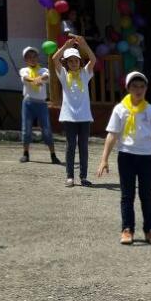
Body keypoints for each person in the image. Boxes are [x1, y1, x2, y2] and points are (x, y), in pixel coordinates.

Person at [96, 71, 151, 245]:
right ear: (128, 88)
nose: (138, 90)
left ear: (146, 89)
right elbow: (112, 135)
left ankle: (150, 231)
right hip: (126, 157)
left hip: (146, 158)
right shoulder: (120, 109)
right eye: (134, 86)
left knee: (146, 195)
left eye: (142, 86)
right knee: (127, 195)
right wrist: (104, 159)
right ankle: (127, 229)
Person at [52, 35, 95, 187]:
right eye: (70, 61)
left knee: (83, 147)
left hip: (84, 117)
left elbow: (93, 60)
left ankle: (83, 177)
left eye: (76, 60)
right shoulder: (64, 75)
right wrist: (65, 46)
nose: (73, 63)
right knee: (71, 147)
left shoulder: (85, 73)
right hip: (69, 116)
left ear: (79, 62)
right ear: (67, 63)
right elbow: (54, 59)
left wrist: (84, 45)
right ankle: (70, 176)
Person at [18, 46, 60, 164]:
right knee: (26, 128)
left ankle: (53, 155)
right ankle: (25, 153)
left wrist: (39, 78)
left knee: (46, 129)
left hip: (41, 104)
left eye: (34, 56)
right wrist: (35, 80)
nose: (32, 59)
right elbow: (25, 78)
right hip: (28, 103)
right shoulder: (24, 70)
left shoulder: (43, 70)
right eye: (29, 57)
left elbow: (47, 76)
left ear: (38, 58)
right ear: (25, 60)